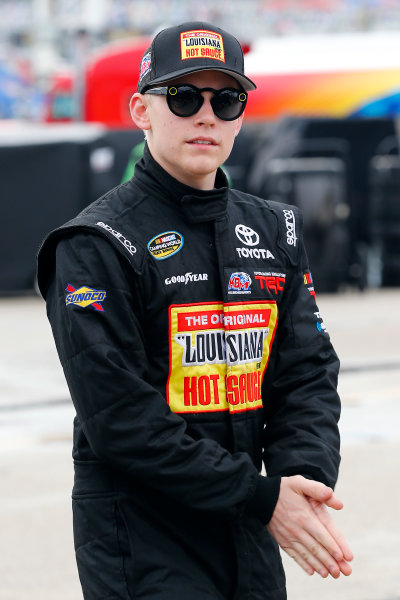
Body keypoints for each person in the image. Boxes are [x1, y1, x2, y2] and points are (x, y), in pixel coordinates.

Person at [37, 21, 353, 600]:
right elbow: (120, 420)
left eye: (226, 99)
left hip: (250, 525)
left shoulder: (273, 228)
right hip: (144, 535)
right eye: (183, 97)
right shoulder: (94, 243)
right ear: (141, 110)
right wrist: (263, 498)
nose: (206, 115)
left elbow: (307, 372)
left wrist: (299, 480)